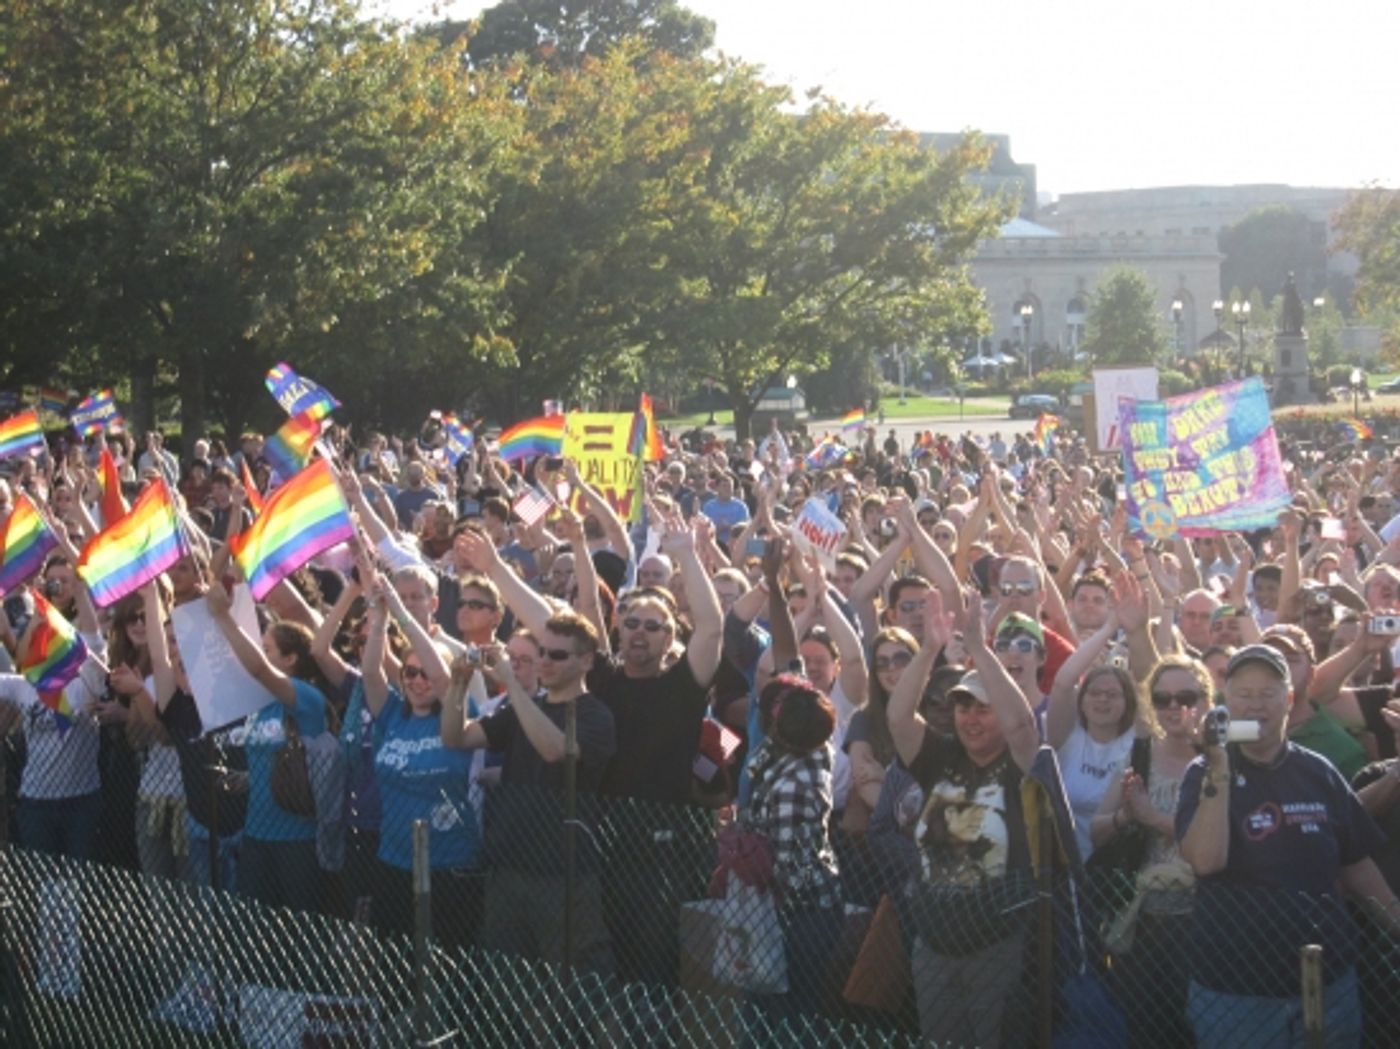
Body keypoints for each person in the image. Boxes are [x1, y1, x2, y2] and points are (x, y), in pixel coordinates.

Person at [1177, 644, 1400, 1049]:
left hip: (1326, 983)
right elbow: (1207, 861)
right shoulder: (1203, 774)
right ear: (1227, 700)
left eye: (1268, 693)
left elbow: (1355, 862)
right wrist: (1220, 769)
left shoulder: (1318, 772)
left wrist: (1397, 922)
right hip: (1236, 992)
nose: (1256, 705)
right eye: (1243, 694)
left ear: (1290, 699)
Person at [888, 591, 1041, 1047]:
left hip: (995, 945)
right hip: (933, 943)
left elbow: (1022, 727)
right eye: (962, 707)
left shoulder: (1019, 765)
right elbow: (898, 718)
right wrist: (930, 650)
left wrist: (979, 648)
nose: (971, 718)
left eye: (982, 708)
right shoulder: (941, 757)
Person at [443, 611, 616, 972]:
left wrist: (510, 682)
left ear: (586, 661)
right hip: (509, 866)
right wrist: (458, 683)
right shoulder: (526, 709)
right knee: (507, 979)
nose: (546, 663)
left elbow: (555, 751)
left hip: (562, 872)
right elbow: (455, 737)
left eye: (557, 655)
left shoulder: (596, 714)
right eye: (543, 653)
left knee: (572, 980)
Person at [1091, 655, 1211, 1049]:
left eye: (1186, 697)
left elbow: (1223, 837)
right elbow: (1097, 832)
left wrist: (1153, 817)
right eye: (1162, 699)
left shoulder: (1222, 761)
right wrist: (1127, 817)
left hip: (1207, 917)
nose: (1174, 707)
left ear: (1206, 701)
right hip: (1144, 925)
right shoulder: (1138, 757)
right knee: (1145, 1031)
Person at [360, 572, 481, 947]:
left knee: (446, 962)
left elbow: (445, 681)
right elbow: (370, 673)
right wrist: (379, 619)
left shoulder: (457, 712)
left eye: (425, 673)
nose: (417, 681)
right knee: (393, 959)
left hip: (449, 864)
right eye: (410, 673)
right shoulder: (394, 714)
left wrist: (400, 609)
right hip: (394, 860)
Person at [206, 579, 331, 914]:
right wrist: (244, 779)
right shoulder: (260, 703)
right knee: (257, 933)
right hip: (257, 835)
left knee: (299, 931)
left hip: (297, 841)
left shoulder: (305, 698)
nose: (260, 654)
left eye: (268, 648)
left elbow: (257, 667)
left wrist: (222, 616)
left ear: (290, 659)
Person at [743, 674, 844, 1020]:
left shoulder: (793, 786)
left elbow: (789, 869)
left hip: (799, 915)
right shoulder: (812, 751)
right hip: (799, 909)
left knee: (785, 1017)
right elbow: (760, 760)